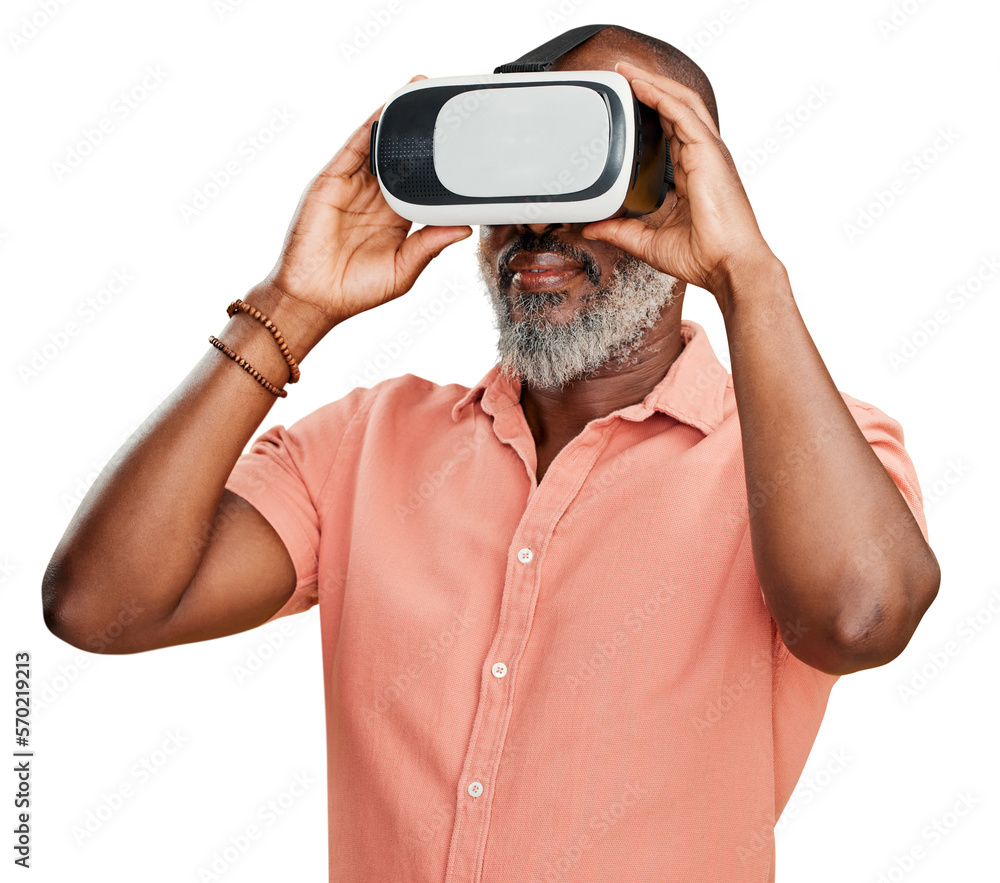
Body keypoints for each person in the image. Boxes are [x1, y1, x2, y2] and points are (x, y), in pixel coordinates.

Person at [43, 24, 940, 882]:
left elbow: (858, 617)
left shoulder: (814, 455)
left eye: (584, 165)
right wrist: (293, 304)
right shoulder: (366, 444)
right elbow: (100, 605)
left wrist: (747, 274)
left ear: (687, 188)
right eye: (510, 171)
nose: (540, 222)